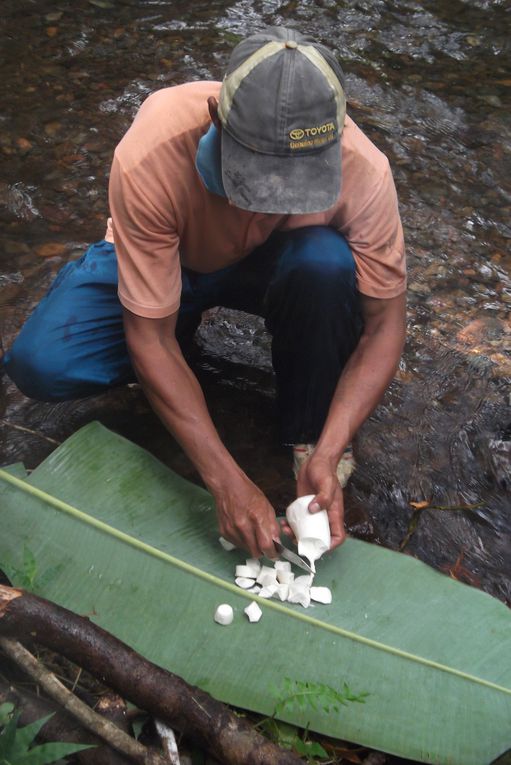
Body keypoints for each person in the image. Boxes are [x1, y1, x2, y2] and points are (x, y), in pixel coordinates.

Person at [3, 27, 406, 560]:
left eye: (294, 183)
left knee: (325, 263)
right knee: (42, 363)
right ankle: (175, 323)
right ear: (217, 119)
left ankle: (307, 434)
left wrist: (330, 449)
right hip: (172, 258)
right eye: (260, 176)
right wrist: (225, 481)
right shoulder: (152, 152)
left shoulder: (364, 170)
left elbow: (384, 327)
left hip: (277, 268)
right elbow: (147, 337)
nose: (269, 204)